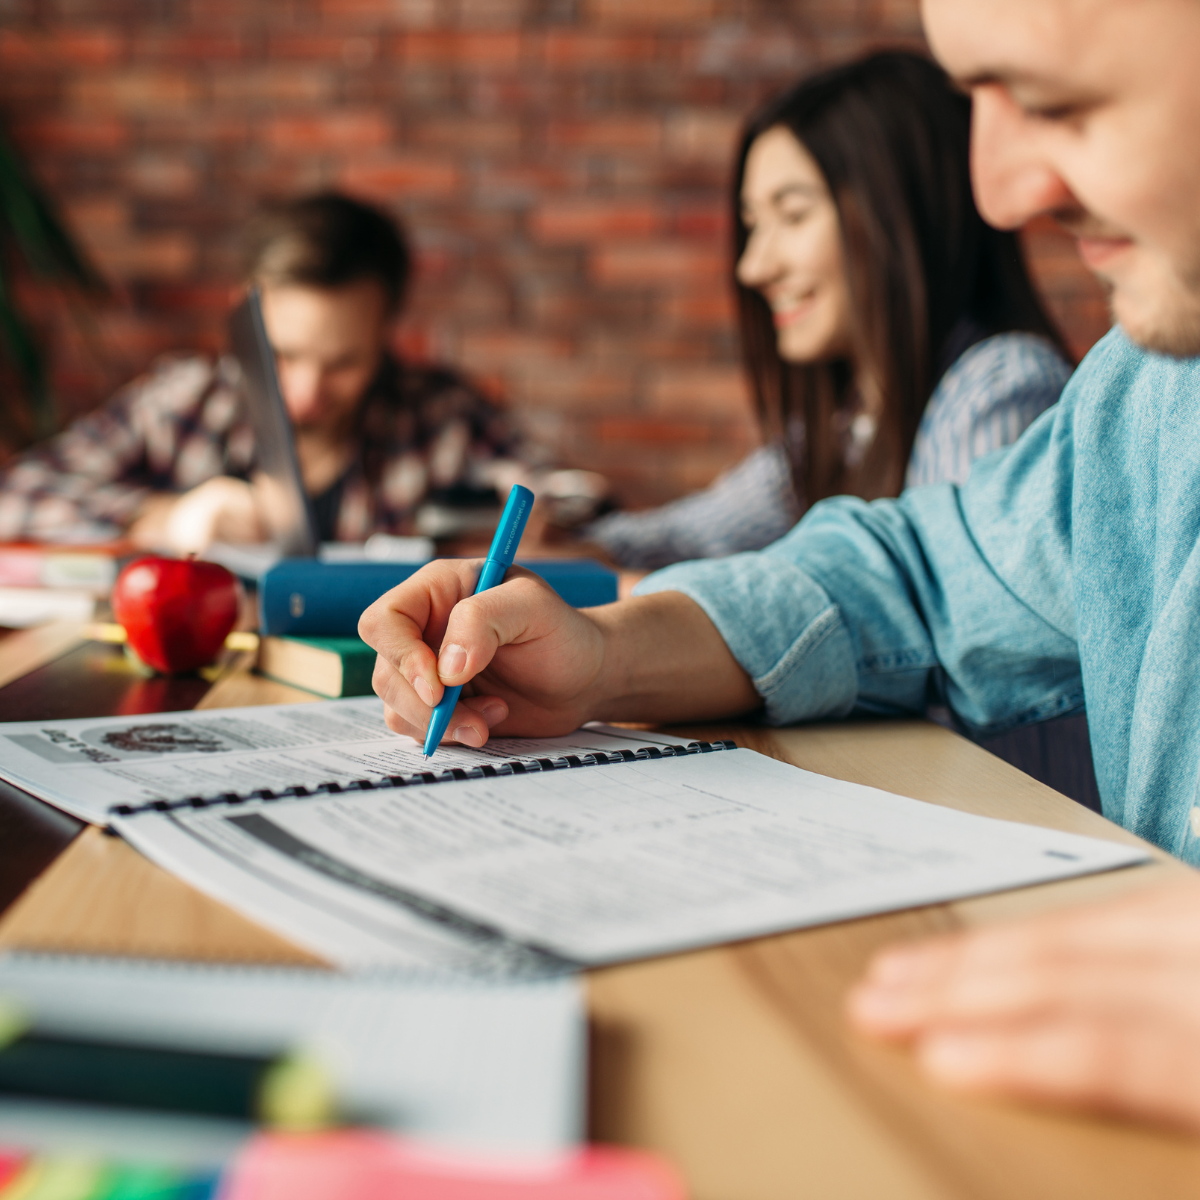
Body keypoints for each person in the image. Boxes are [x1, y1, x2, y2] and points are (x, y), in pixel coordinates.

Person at [357, 0, 1200, 1133]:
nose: (999, 193)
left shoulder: (1003, 379)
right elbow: (908, 573)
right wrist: (606, 653)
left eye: (1055, 101)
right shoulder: (1145, 395)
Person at [586, 52, 1071, 571]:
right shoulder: (852, 420)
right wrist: (569, 541)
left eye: (792, 216)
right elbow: (687, 534)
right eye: (753, 225)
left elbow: (936, 626)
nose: (753, 268)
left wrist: (650, 604)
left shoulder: (998, 388)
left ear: (902, 214)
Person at [0, 192, 525, 552]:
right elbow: (18, 494)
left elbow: (593, 517)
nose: (305, 393)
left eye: (343, 362)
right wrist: (164, 517)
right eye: (285, 354)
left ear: (386, 330)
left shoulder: (444, 415)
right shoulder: (186, 399)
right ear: (244, 315)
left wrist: (535, 526)